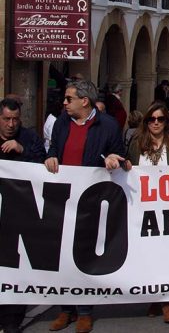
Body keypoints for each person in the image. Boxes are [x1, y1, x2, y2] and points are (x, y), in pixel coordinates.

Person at [45, 80, 127, 333]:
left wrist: (114, 160)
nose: (64, 103)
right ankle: (65, 309)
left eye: (69, 99)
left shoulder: (108, 125)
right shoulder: (61, 122)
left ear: (85, 101)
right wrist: (49, 157)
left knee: (83, 254)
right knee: (60, 255)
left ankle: (85, 310)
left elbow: (120, 156)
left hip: (90, 199)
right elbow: (53, 149)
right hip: (61, 198)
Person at [125, 102, 169, 323]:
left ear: (166, 122)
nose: (155, 123)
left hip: (168, 210)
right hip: (143, 209)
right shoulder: (137, 143)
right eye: (151, 119)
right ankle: (154, 295)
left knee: (166, 255)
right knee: (148, 255)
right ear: (146, 122)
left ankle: (166, 301)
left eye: (160, 119)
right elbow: (128, 169)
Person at [0, 98, 45, 333]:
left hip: (20, 213)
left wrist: (22, 150)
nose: (11, 124)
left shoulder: (29, 138)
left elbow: (43, 166)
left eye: (15, 119)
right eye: (6, 119)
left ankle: (12, 320)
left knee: (16, 268)